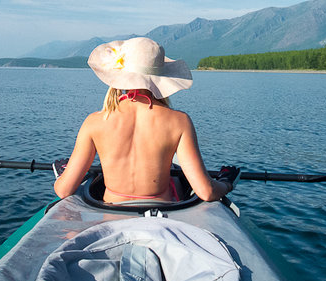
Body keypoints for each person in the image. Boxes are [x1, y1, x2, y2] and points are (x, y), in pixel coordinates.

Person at [53, 37, 239, 203]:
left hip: (112, 211)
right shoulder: (179, 121)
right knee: (175, 177)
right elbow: (206, 192)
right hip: (162, 212)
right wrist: (226, 182)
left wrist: (64, 174)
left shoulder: (94, 122)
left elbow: (63, 190)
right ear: (160, 78)